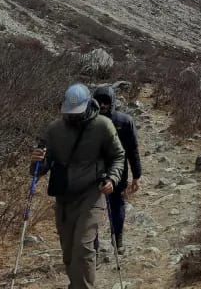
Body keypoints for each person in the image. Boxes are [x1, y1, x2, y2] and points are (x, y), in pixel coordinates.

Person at [30, 83, 125, 289]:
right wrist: (37, 160)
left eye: (77, 112)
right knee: (69, 252)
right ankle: (76, 284)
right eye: (69, 112)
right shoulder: (54, 130)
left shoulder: (102, 126)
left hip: (92, 192)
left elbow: (118, 155)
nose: (73, 116)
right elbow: (40, 168)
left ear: (88, 105)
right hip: (64, 197)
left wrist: (112, 179)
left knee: (83, 246)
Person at [92, 84, 142, 255]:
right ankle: (105, 243)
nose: (103, 105)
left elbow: (132, 150)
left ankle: (114, 239)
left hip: (110, 170)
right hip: (103, 170)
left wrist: (137, 175)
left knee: (114, 205)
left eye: (106, 101)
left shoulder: (123, 121)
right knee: (104, 206)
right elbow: (133, 150)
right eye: (100, 101)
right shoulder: (124, 120)